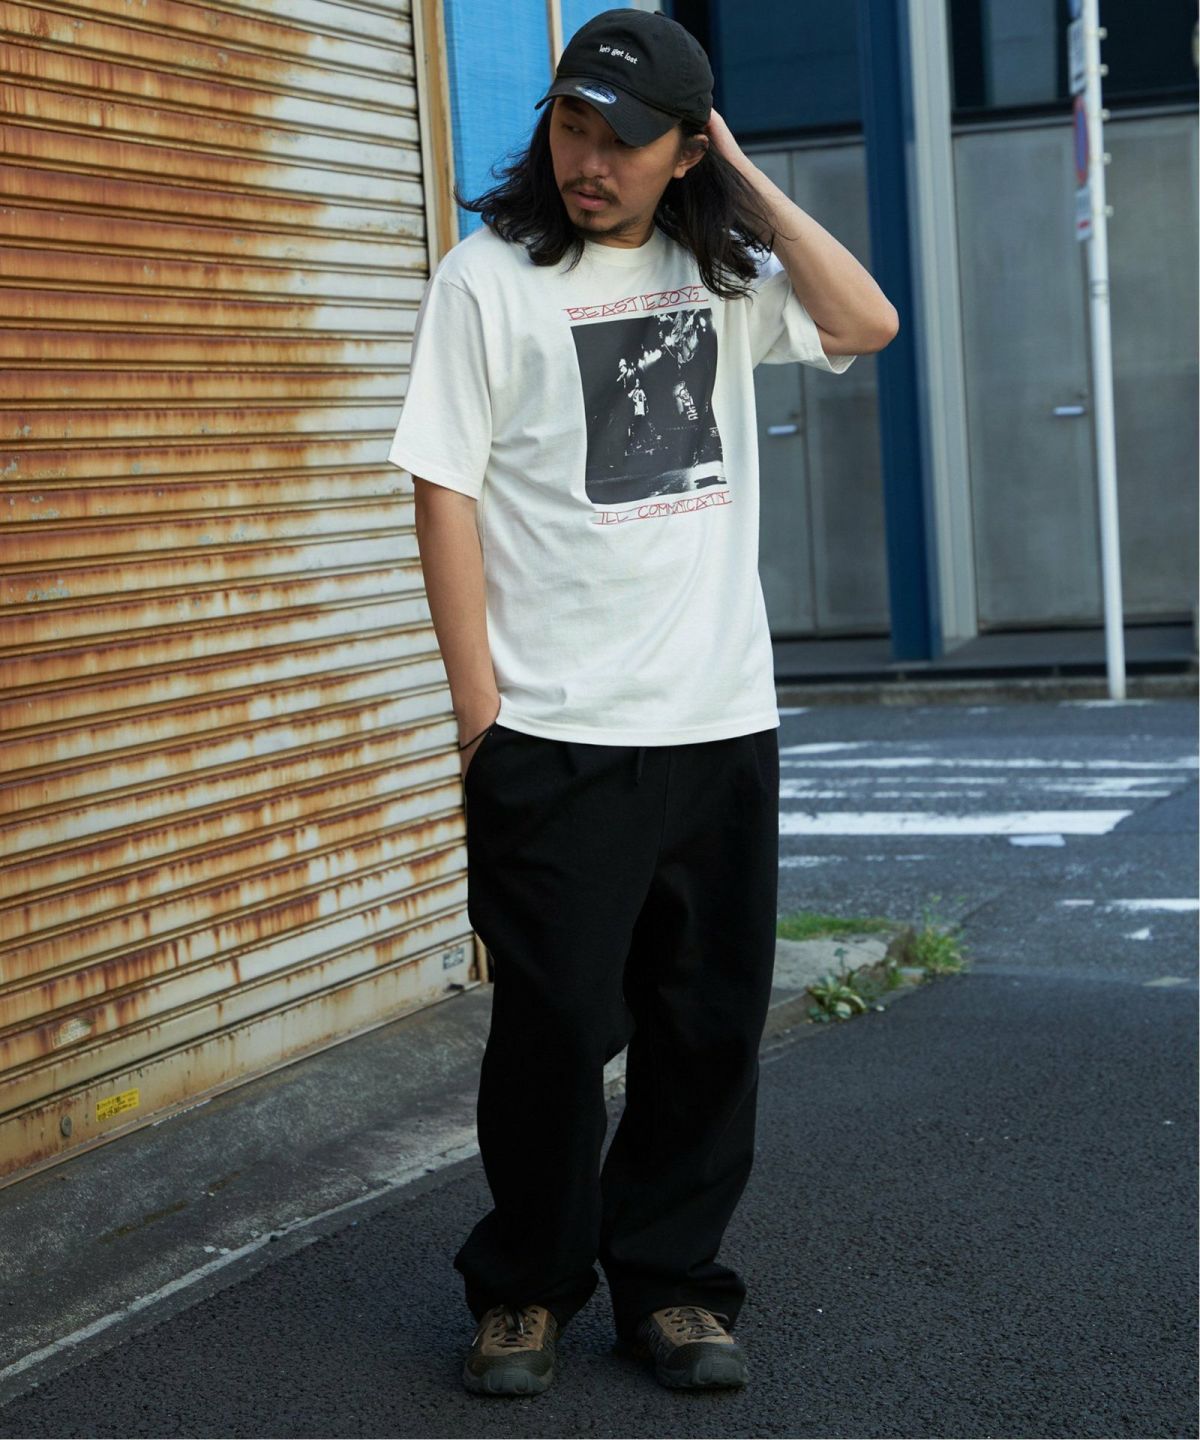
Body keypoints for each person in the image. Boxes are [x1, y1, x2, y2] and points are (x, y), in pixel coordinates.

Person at [386, 6, 897, 1399]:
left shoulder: (720, 273)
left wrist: (745, 183)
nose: (589, 161)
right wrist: (478, 717)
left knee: (706, 1028)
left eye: (624, 140)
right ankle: (526, 1289)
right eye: (571, 127)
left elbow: (866, 320)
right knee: (553, 1034)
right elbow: (443, 489)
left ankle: (671, 1284)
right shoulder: (487, 280)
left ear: (685, 151)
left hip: (719, 722)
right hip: (556, 736)